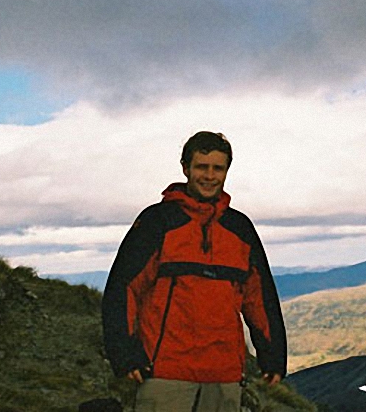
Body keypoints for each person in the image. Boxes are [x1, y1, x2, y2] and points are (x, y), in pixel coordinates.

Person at [102, 131, 287, 412]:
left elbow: (259, 297)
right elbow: (123, 288)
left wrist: (273, 356)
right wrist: (125, 354)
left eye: (218, 168)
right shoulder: (158, 222)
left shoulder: (240, 229)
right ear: (186, 168)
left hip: (223, 376)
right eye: (201, 167)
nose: (209, 176)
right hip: (165, 372)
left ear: (226, 171)